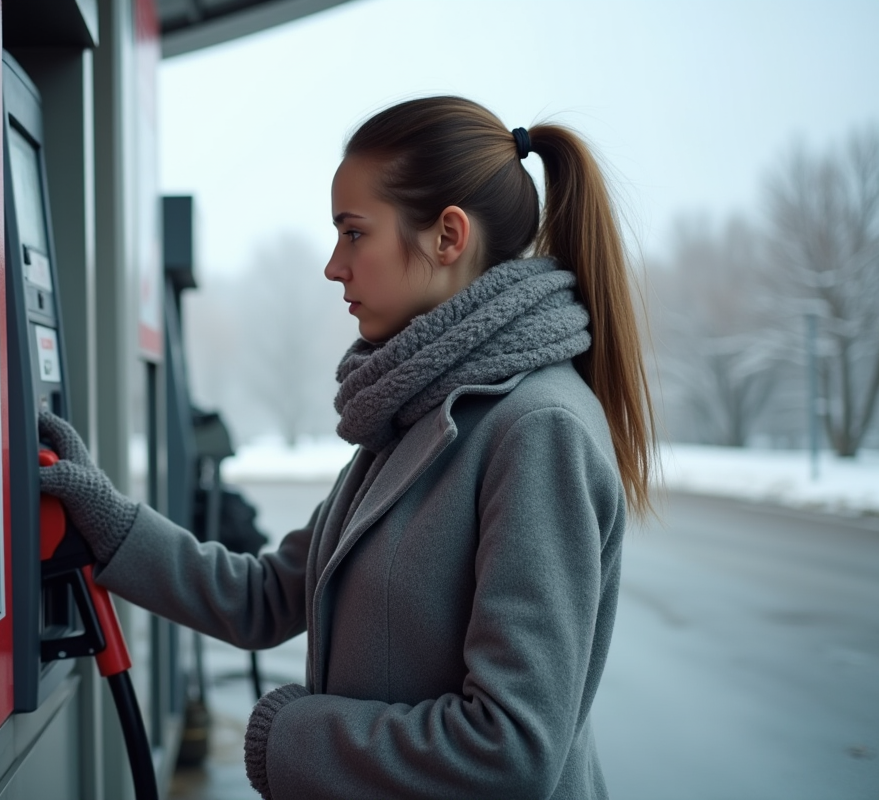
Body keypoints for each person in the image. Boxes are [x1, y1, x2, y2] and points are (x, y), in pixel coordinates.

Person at [39, 95, 654, 800]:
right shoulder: (417, 412)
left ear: (448, 236)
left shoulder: (537, 429)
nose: (334, 266)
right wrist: (109, 521)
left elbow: (509, 751)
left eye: (354, 234)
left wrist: (294, 738)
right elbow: (269, 595)